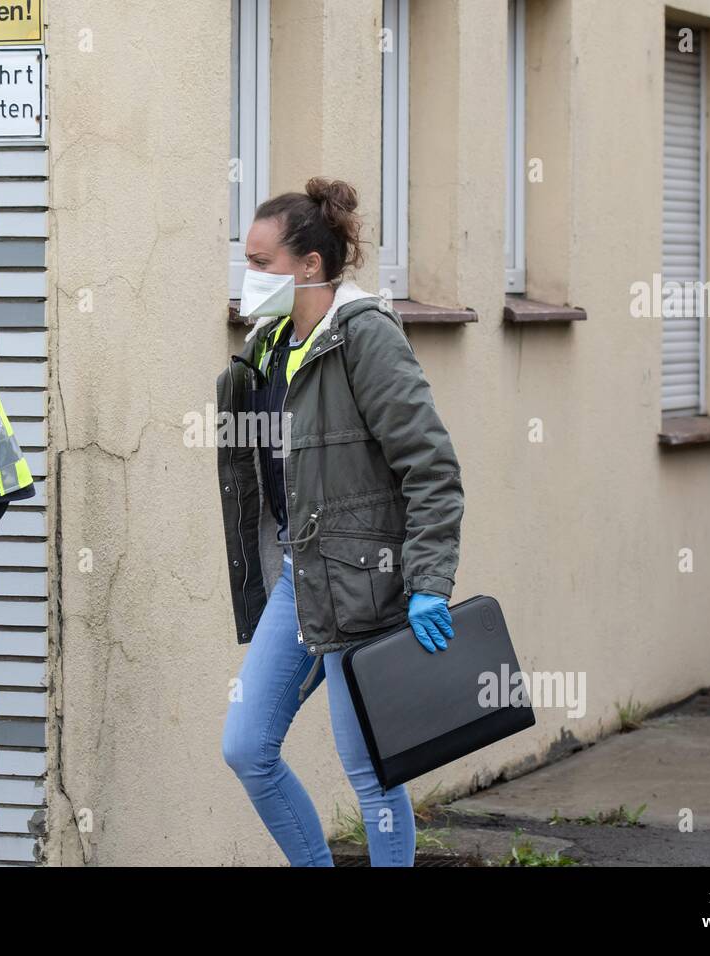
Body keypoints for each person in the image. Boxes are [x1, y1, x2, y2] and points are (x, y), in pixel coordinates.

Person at [216, 176, 465, 866]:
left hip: (365, 583)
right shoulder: (270, 347)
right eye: (247, 260)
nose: (249, 275)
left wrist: (428, 582)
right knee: (247, 747)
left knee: (372, 772)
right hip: (301, 579)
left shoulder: (364, 339)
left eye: (261, 262)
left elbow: (432, 467)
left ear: (311, 265)